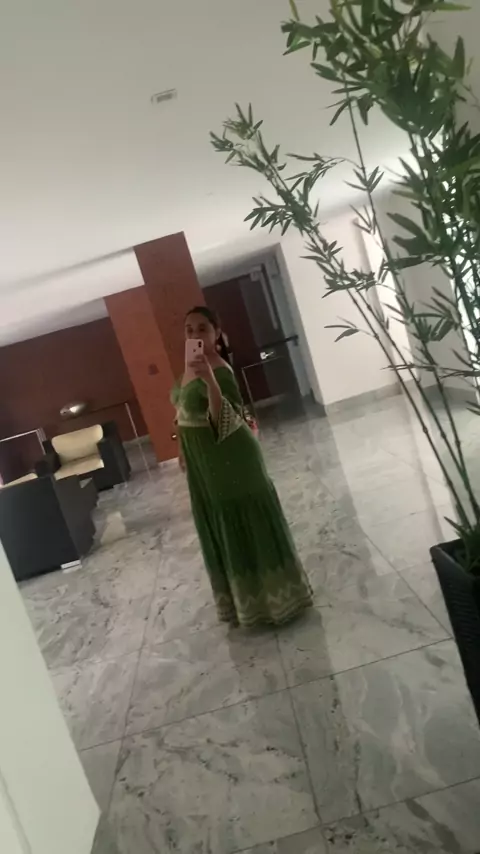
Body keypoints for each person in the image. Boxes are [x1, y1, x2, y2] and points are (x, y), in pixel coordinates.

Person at [171, 305, 313, 628]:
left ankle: (276, 600)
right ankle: (241, 602)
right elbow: (182, 411)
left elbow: (227, 421)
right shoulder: (188, 367)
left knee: (241, 517)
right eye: (189, 330)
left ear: (217, 333)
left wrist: (210, 381)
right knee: (218, 518)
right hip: (202, 460)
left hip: (230, 457)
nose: (195, 335)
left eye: (203, 329)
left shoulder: (220, 370)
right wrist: (182, 448)